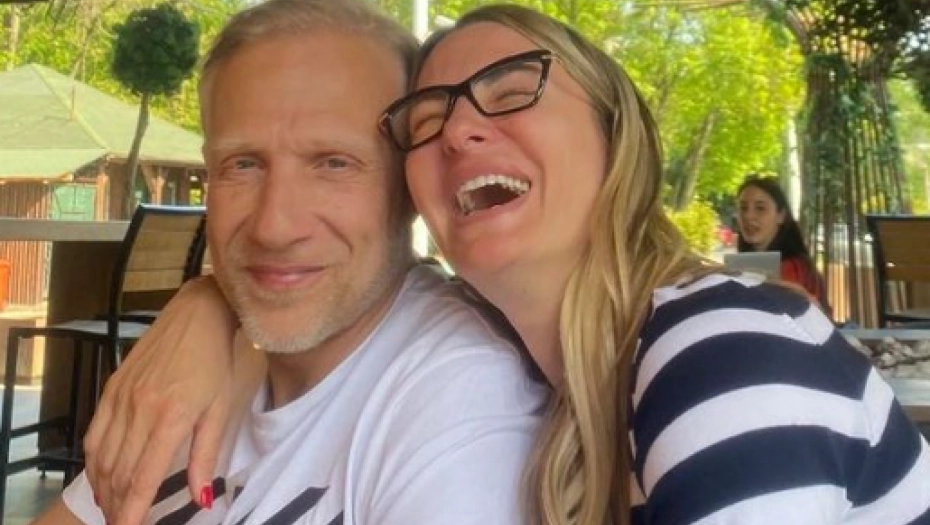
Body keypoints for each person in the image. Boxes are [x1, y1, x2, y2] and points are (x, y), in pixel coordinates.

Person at [82, 3, 930, 525]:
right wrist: (213, 303)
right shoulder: (573, 415)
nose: (459, 129)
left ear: (615, 130)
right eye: (428, 117)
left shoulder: (724, 341)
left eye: (512, 86)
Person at [30, 1, 547, 524]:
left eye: (334, 163)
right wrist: (207, 298)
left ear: (409, 186)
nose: (273, 227)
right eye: (243, 165)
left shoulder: (461, 397)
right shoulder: (197, 370)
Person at [735, 174, 830, 308]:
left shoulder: (796, 269)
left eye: (760, 208)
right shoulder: (742, 266)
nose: (748, 216)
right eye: (743, 208)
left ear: (781, 215)